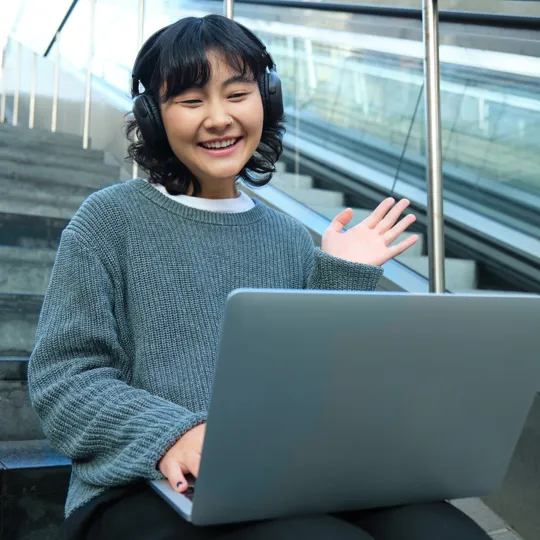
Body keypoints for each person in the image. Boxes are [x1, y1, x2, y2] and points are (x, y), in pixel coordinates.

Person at [27, 14, 491, 540]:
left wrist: (345, 274)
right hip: (142, 483)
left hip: (281, 472)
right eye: (191, 100)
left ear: (264, 101)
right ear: (154, 117)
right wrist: (172, 434)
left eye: (237, 93)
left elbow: (314, 389)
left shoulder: (292, 238)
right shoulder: (108, 220)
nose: (219, 117)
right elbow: (64, 381)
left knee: (445, 531)